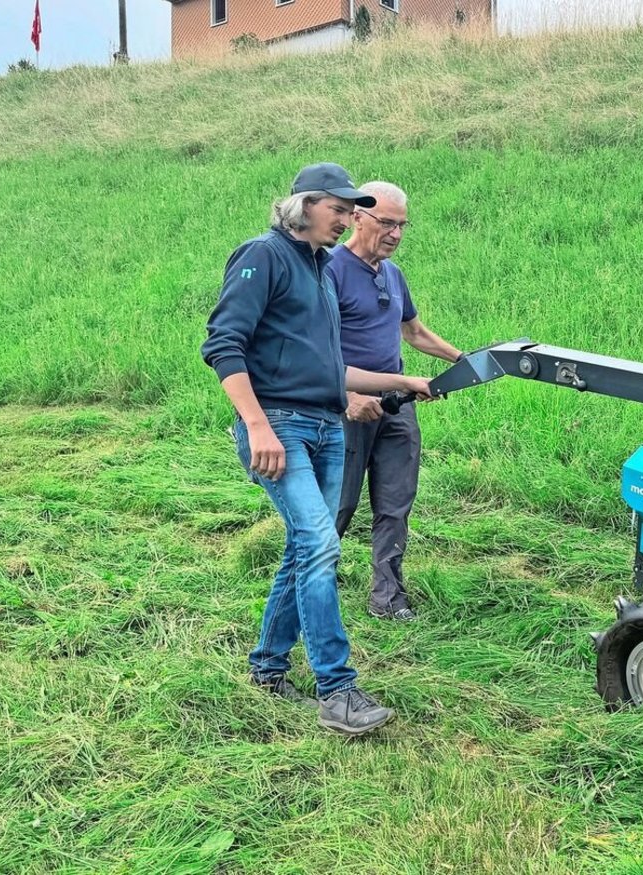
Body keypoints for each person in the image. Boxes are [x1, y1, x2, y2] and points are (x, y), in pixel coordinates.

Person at [201, 163, 430, 737]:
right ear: (305, 205)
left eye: (353, 211)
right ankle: (337, 690)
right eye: (339, 209)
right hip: (281, 427)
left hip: (327, 427)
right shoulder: (263, 255)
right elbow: (224, 345)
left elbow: (335, 367)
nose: (348, 220)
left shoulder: (321, 268)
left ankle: (268, 669)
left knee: (304, 550)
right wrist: (257, 426)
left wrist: (404, 381)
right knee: (321, 545)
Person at [328, 181, 463, 621]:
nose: (396, 234)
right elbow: (314, 349)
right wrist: (346, 395)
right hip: (346, 409)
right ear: (357, 217)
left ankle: (387, 597)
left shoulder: (392, 274)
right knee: (339, 502)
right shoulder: (329, 271)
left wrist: (465, 361)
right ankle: (313, 584)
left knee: (395, 502)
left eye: (402, 225)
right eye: (387, 223)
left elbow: (414, 332)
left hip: (395, 406)